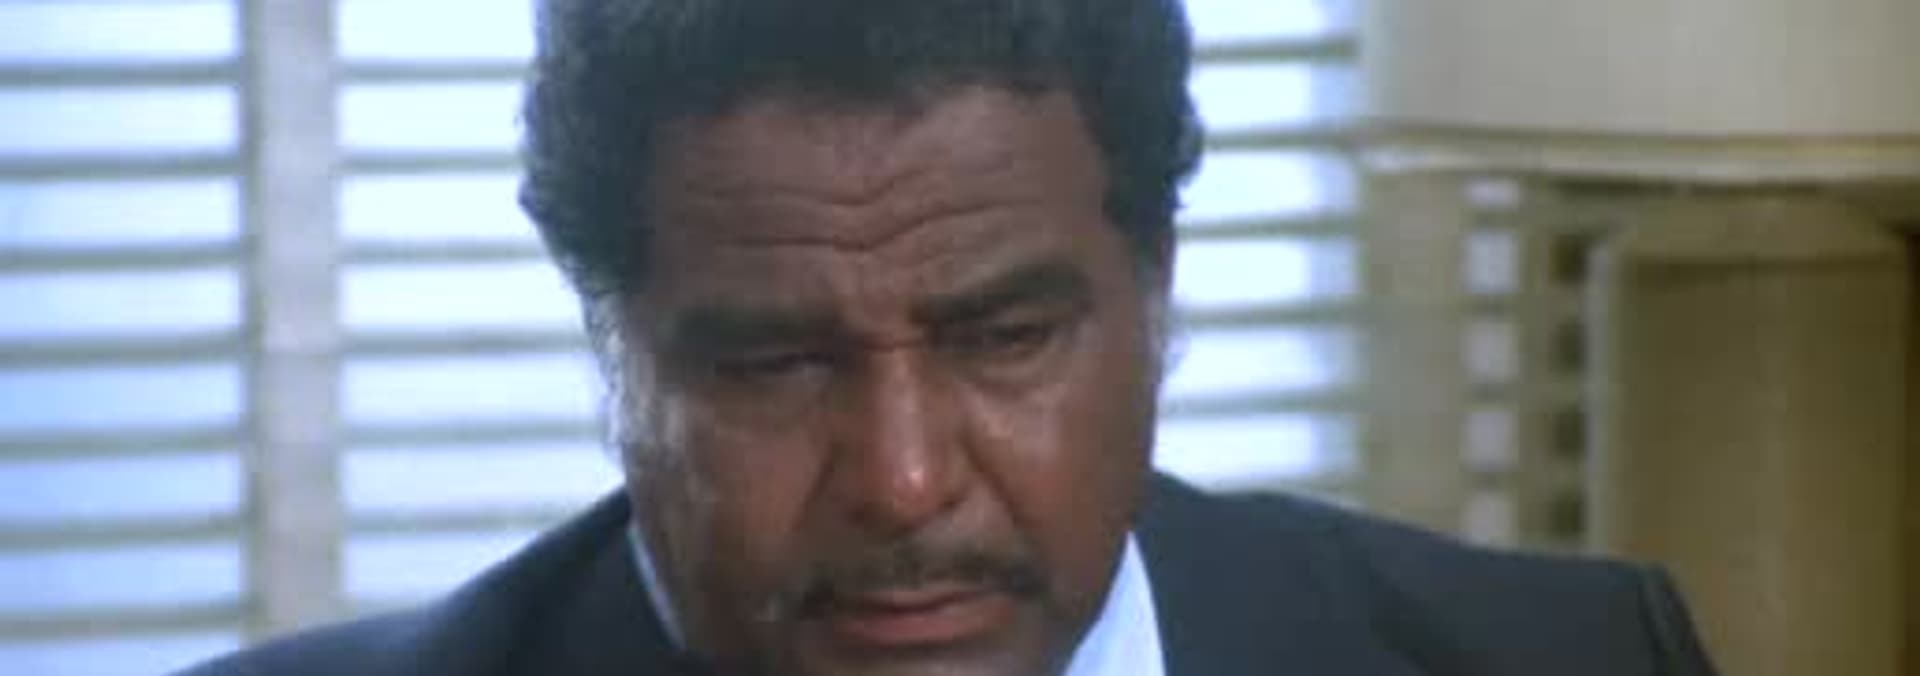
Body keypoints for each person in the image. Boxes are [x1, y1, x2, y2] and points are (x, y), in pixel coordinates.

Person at [182, 0, 1718, 674]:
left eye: (1004, 337)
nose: (905, 481)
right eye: (774, 364)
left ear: (1157, 291)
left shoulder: (1565, 665)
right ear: (615, 349)